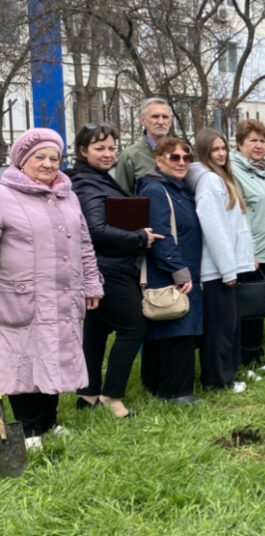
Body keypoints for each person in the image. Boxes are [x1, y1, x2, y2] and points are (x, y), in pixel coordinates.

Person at [0, 128, 104, 449]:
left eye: (54, 158)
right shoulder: (5, 195)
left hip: (62, 295)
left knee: (54, 356)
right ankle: (29, 429)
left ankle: (49, 421)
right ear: (22, 160)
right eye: (40, 157)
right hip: (21, 297)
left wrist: (91, 283)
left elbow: (84, 243)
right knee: (25, 361)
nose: (48, 164)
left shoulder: (66, 195)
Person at [71, 123, 162, 419]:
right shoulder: (87, 184)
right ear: (83, 151)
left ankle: (88, 394)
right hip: (108, 267)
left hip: (104, 266)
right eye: (99, 148)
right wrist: (139, 237)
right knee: (134, 326)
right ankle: (112, 396)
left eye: (111, 148)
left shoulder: (96, 178)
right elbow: (96, 230)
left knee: (96, 330)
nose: (108, 154)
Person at [138, 138, 204, 405]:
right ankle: (176, 391)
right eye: (174, 157)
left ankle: (156, 385)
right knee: (177, 326)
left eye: (186, 158)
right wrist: (178, 269)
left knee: (170, 326)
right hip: (170, 270)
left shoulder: (178, 189)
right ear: (158, 160)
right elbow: (160, 234)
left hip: (183, 266)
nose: (181, 162)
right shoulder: (156, 190)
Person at [188, 128, 254, 392]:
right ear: (204, 152)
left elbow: (235, 225)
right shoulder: (209, 182)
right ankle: (217, 380)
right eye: (214, 149)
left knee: (230, 326)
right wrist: (227, 270)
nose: (221, 153)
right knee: (219, 329)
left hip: (228, 266)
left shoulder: (220, 178)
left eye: (223, 148)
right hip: (217, 270)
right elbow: (215, 229)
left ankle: (229, 372)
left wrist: (245, 257)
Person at [230, 119, 265, 372]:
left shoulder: (264, 171)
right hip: (249, 254)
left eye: (262, 141)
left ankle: (255, 355)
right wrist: (247, 250)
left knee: (259, 305)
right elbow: (235, 214)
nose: (259, 145)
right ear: (240, 144)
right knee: (248, 307)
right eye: (252, 140)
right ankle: (244, 359)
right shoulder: (234, 171)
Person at [115, 97, 173, 194]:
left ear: (170, 121)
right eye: (155, 116)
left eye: (165, 117)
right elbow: (121, 196)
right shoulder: (130, 156)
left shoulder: (183, 152)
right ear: (142, 120)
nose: (161, 122)